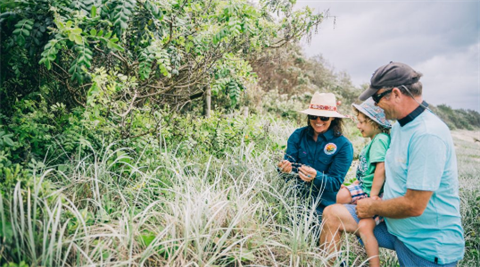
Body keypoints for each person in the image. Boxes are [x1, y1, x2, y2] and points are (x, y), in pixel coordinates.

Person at [321, 62, 465, 266]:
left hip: (427, 246)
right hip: (393, 227)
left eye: (377, 98)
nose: (376, 104)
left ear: (396, 94)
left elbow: (414, 205)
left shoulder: (427, 134)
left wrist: (371, 206)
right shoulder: (399, 128)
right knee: (332, 214)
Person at [336, 98, 391, 267]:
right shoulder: (376, 140)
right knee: (365, 227)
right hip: (366, 187)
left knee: (341, 198)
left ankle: (341, 241)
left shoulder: (380, 139)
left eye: (361, 122)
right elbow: (368, 172)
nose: (358, 126)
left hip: (372, 192)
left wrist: (373, 196)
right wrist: (354, 184)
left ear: (374, 122)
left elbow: (381, 167)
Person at [277, 92, 354, 215]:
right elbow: (288, 170)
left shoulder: (344, 146)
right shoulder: (297, 135)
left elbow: (335, 183)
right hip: (293, 201)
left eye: (324, 118)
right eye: (314, 116)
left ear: (333, 118)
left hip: (323, 208)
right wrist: (284, 169)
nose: (318, 121)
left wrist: (316, 177)